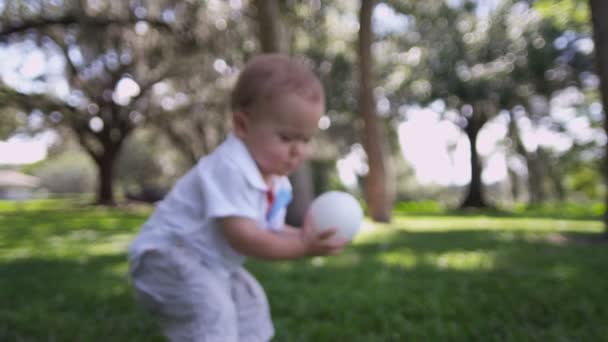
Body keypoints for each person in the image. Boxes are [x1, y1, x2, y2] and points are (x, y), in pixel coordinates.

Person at [127, 53, 348, 342]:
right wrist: (303, 246)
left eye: (305, 139)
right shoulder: (230, 167)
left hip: (209, 263)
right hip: (165, 256)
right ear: (243, 126)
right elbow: (243, 237)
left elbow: (268, 228)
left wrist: (303, 234)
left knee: (251, 306)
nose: (298, 151)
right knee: (213, 315)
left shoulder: (276, 182)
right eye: (286, 138)